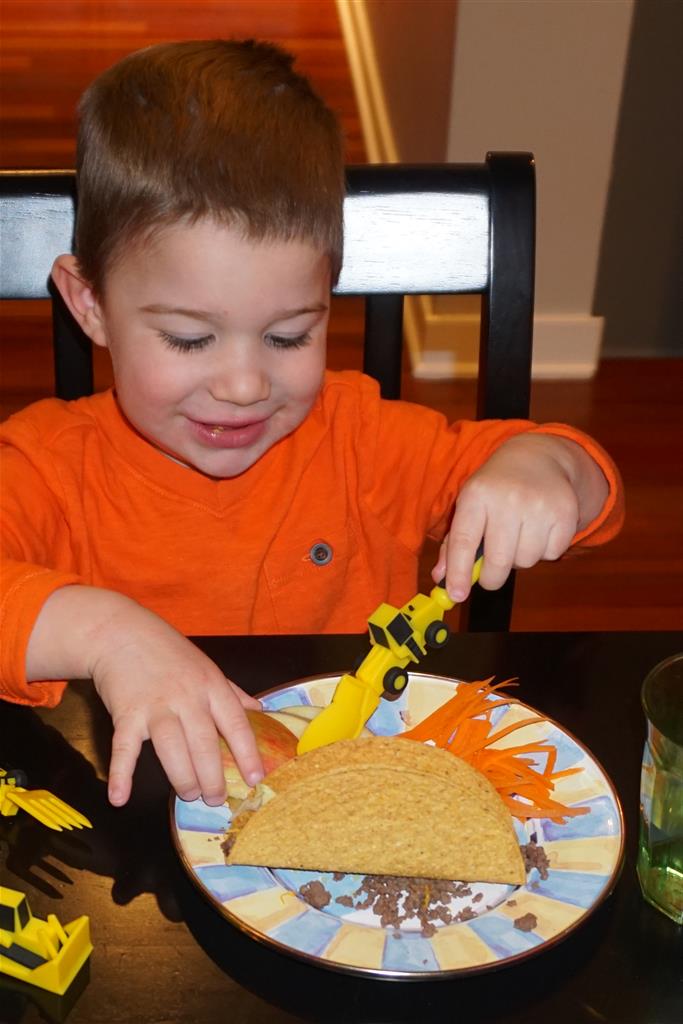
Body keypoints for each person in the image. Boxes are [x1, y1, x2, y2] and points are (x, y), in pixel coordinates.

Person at [0, 40, 623, 811]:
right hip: (137, 823)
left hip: (357, 809)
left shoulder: (364, 441)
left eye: (289, 335)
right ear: (89, 304)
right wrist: (109, 636)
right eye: (189, 339)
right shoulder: (48, 465)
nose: (242, 385)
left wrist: (545, 466)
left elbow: (585, 491)